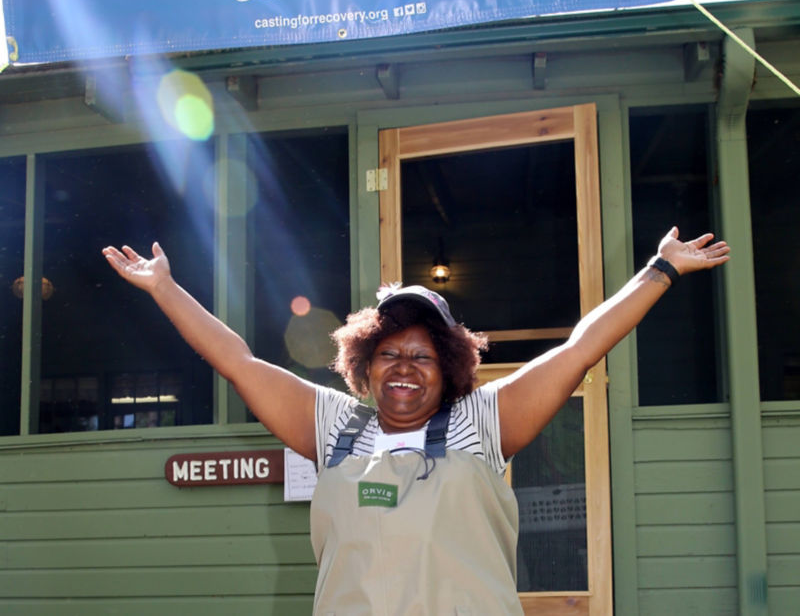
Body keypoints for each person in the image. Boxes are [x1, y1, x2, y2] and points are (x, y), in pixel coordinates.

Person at [103, 226, 729, 614]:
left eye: (423, 355)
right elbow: (236, 360)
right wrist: (164, 288)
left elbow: (580, 349)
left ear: (451, 365)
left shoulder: (484, 420)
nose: (404, 367)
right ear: (364, 366)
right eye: (389, 354)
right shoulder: (334, 427)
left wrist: (662, 270)